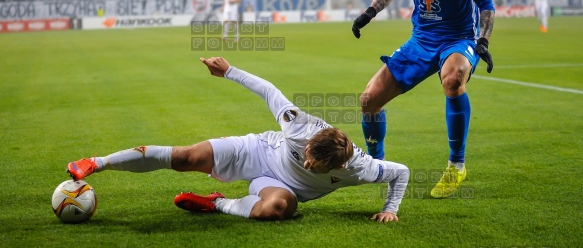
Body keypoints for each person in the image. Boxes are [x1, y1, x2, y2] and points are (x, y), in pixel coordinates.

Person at [67, 57, 410, 222]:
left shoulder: (362, 168)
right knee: (186, 158)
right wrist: (228, 71)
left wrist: (389, 210)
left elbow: (401, 172)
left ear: (336, 166)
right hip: (258, 151)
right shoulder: (300, 127)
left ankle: (217, 203)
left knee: (276, 210)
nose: (306, 161)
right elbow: (269, 90)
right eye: (306, 155)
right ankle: (96, 163)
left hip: (280, 188)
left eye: (313, 165)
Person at [351, 0, 495, 198]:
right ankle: (377, 165)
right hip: (421, 40)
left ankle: (457, 165)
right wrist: (369, 13)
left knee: (453, 80)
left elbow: (485, 3)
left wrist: (483, 40)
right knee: (368, 100)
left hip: (457, 39)